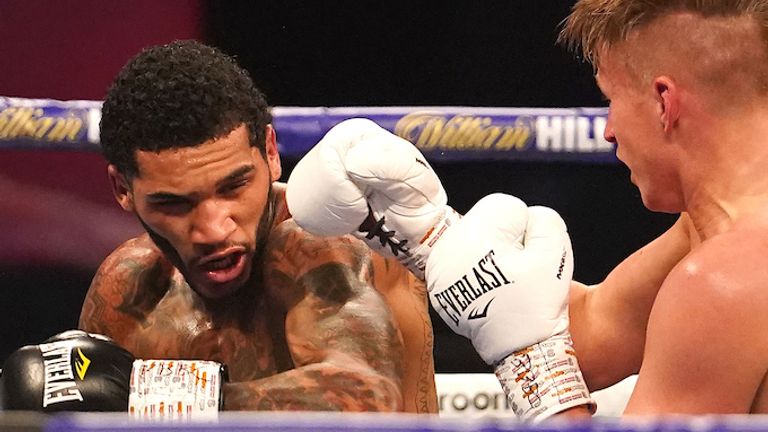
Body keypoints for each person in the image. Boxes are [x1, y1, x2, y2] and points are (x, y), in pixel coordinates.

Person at [285, 0, 768, 421]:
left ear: (664, 101)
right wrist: (431, 236)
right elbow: (594, 336)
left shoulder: (720, 282)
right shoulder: (717, 236)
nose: (609, 131)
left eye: (611, 101)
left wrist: (538, 373)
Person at [0, 40, 439, 416]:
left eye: (234, 186)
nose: (212, 229)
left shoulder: (320, 243)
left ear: (269, 152)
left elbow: (365, 399)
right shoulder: (128, 290)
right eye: (174, 203)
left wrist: (152, 398)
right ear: (123, 189)